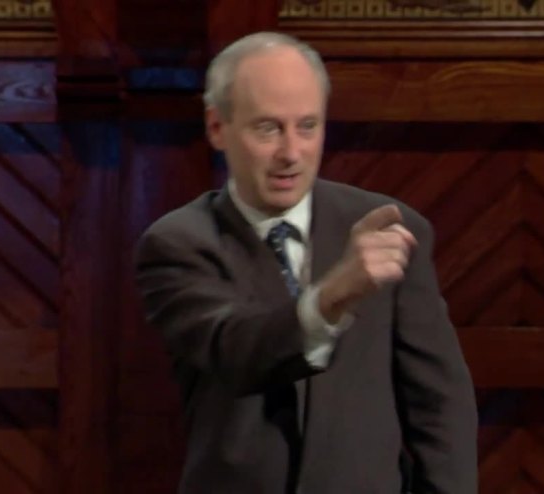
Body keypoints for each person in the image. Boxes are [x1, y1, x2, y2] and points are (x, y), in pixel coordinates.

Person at [135, 31, 477, 494]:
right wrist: (332, 296)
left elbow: (439, 403)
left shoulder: (391, 230)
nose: (291, 153)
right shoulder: (178, 243)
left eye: (308, 126)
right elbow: (234, 351)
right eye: (268, 128)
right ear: (217, 127)